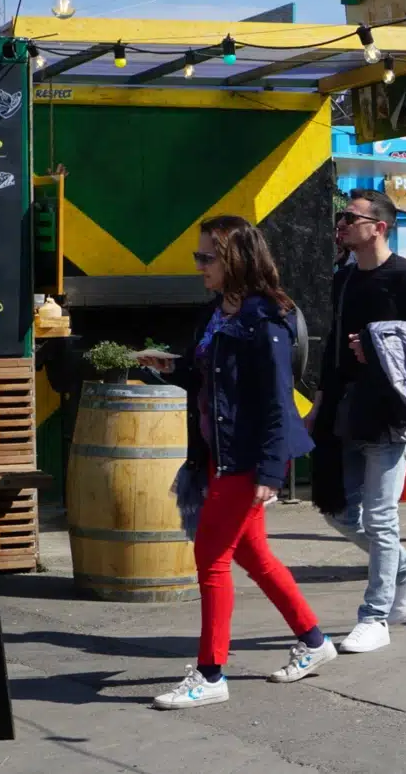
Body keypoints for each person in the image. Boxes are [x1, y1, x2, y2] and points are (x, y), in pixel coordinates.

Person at [147, 216, 331, 709]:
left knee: (210, 560)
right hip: (220, 452)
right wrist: (172, 367)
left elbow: (277, 400)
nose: (200, 266)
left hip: (246, 460)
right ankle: (315, 641)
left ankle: (210, 675)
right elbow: (210, 376)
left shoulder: (262, 318)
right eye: (198, 257)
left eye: (207, 257)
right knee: (254, 556)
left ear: (234, 258)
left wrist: (272, 473)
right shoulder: (219, 311)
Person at [307, 189, 406, 654]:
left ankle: (375, 618)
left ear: (379, 227)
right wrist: (318, 401)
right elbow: (332, 345)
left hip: (387, 410)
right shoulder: (344, 279)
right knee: (338, 512)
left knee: (383, 517)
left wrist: (380, 343)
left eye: (350, 217)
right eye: (340, 217)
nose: (341, 223)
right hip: (344, 408)